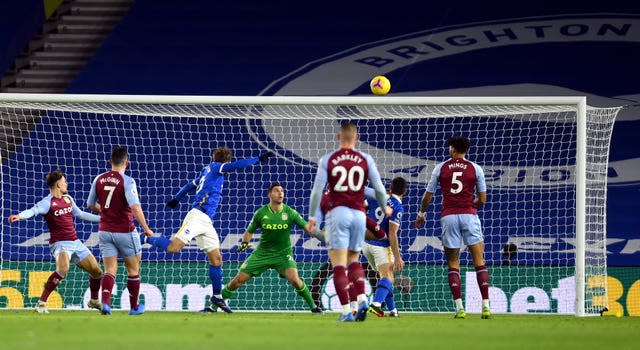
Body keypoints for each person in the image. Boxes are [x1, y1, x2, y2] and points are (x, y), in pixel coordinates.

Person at [144, 147, 274, 313]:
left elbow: (190, 185)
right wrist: (258, 158)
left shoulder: (206, 170)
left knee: (217, 259)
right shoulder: (216, 167)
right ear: (225, 161)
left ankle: (217, 297)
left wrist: (177, 198)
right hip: (197, 216)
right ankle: (146, 238)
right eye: (228, 163)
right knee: (173, 248)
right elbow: (237, 166)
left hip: (206, 222)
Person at [307, 122, 391, 322]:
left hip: (339, 213)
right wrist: (385, 205)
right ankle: (362, 299)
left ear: (338, 137)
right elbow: (378, 188)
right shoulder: (366, 159)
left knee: (338, 263)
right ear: (357, 137)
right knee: (354, 260)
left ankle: (346, 312)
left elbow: (318, 191)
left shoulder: (328, 159)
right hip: (359, 215)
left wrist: (313, 218)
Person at [414, 136, 490, 319]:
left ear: (453, 149)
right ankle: (486, 306)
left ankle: (459, 308)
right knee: (479, 261)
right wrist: (468, 203)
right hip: (469, 216)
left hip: (448, 217)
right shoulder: (475, 168)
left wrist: (421, 214)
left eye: (450, 147)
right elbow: (482, 199)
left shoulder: (440, 168)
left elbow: (428, 196)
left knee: (453, 263)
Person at [8, 170, 104, 314]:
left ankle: (94, 300)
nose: (66, 183)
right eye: (64, 181)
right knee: (63, 269)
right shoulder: (47, 203)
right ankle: (41, 303)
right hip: (60, 243)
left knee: (97, 272)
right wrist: (20, 216)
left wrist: (102, 219)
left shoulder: (68, 199)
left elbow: (81, 214)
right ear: (58, 184)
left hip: (75, 242)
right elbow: (33, 211)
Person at [221, 183, 323, 314]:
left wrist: (322, 236)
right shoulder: (261, 213)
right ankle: (214, 305)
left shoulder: (290, 212)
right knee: (237, 281)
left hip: (283, 254)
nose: (280, 193)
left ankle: (314, 308)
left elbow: (308, 229)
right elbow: (249, 231)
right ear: (270, 194)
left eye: (282, 191)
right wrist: (245, 243)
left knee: (296, 281)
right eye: (277, 191)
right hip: (262, 254)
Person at [87, 146, 154, 316]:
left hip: (104, 231)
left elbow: (89, 205)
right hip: (125, 230)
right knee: (133, 269)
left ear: (110, 161)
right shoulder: (128, 181)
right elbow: (135, 207)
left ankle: (106, 304)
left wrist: (105, 211)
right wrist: (146, 229)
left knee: (110, 270)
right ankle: (134, 307)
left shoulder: (98, 179)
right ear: (127, 162)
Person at [364, 176, 407, 318]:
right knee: (388, 277)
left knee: (386, 276)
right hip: (381, 246)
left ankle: (393, 310)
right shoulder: (398, 207)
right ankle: (376, 304)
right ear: (405, 191)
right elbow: (392, 234)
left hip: (366, 244)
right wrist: (398, 257)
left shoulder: (378, 197)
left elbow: (363, 206)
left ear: (390, 187)